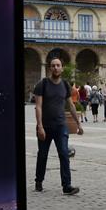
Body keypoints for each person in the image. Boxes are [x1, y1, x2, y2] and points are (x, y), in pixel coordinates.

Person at [34, 57, 83, 195]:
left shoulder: (65, 85)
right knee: (43, 155)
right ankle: (39, 180)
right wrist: (40, 126)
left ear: (62, 68)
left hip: (61, 125)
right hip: (45, 126)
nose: (56, 68)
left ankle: (66, 186)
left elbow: (71, 105)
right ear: (50, 68)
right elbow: (38, 107)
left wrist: (79, 124)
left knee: (63, 154)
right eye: (53, 65)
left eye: (58, 65)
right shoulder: (42, 84)